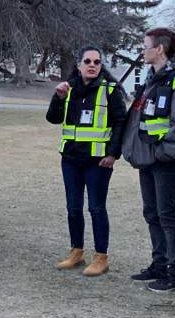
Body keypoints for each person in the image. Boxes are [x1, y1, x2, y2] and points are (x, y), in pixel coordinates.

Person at [121, 27, 175, 291]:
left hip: (164, 161)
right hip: (148, 160)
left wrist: (164, 153)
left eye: (146, 45)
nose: (143, 50)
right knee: (151, 212)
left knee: (166, 214)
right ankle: (159, 264)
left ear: (159, 49)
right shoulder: (151, 81)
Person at [46, 46, 128, 276]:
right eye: (88, 61)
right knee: (73, 208)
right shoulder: (68, 88)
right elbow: (53, 118)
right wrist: (57, 98)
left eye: (97, 62)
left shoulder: (110, 90)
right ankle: (76, 252)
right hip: (71, 159)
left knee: (96, 208)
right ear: (79, 65)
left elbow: (121, 123)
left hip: (98, 162)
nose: (92, 65)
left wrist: (113, 154)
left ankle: (101, 257)